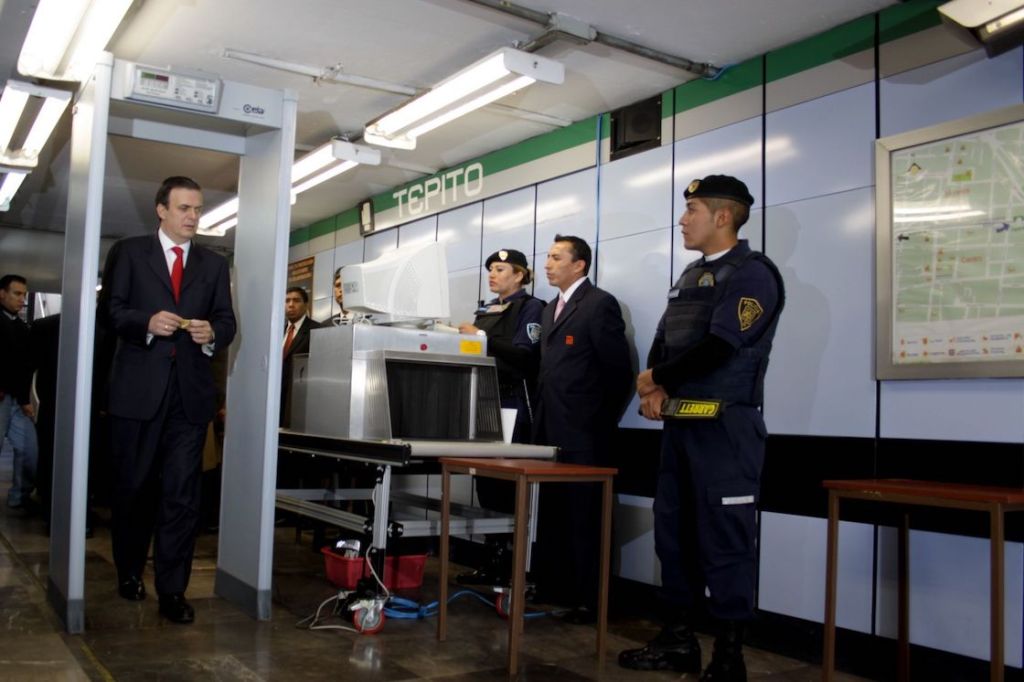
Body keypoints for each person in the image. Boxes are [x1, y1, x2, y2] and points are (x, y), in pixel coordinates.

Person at [618, 175, 785, 681]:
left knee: (726, 541)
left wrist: (655, 378)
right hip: (682, 428)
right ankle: (677, 642)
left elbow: (719, 347)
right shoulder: (691, 274)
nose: (683, 218)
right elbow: (667, 340)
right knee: (675, 536)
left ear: (724, 216)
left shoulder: (754, 275)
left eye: (692, 209)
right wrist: (653, 388)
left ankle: (729, 659)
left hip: (726, 429)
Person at [101, 176, 236, 625]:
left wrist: (212, 332)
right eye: (184, 208)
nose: (193, 217)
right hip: (137, 393)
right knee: (134, 489)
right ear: (161, 210)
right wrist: (146, 321)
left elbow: (227, 321)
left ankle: (173, 590)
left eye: (197, 209)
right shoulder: (130, 252)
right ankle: (128, 571)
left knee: (182, 496)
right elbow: (113, 311)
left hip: (189, 397)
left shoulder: (214, 266)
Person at [533, 235, 632, 623]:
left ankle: (592, 600)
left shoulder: (598, 304)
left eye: (556, 257)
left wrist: (595, 423)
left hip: (585, 434)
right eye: (547, 256)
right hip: (549, 432)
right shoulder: (548, 311)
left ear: (580, 265)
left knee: (587, 517)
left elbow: (617, 373)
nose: (547, 264)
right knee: (554, 514)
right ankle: (558, 588)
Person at [456, 248, 544, 585]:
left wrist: (481, 338)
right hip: (483, 399)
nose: (493, 274)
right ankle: (492, 558)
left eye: (501, 269)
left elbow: (525, 355)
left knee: (508, 484)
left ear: (519, 275)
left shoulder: (531, 307)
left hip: (513, 401)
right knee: (486, 483)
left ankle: (513, 564)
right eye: (491, 268)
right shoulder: (487, 308)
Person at [0, 274, 37, 512]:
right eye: (17, 293)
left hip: (17, 400)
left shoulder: (21, 327)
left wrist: (25, 400)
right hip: (2, 398)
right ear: (2, 294)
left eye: (24, 294)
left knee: (29, 449)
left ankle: (20, 496)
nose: (22, 299)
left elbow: (24, 366)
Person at [281, 286, 321, 428]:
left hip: (300, 398)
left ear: (306, 305)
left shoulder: (317, 330)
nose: (290, 305)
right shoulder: (276, 331)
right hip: (277, 399)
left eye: (296, 300)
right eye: (287, 301)